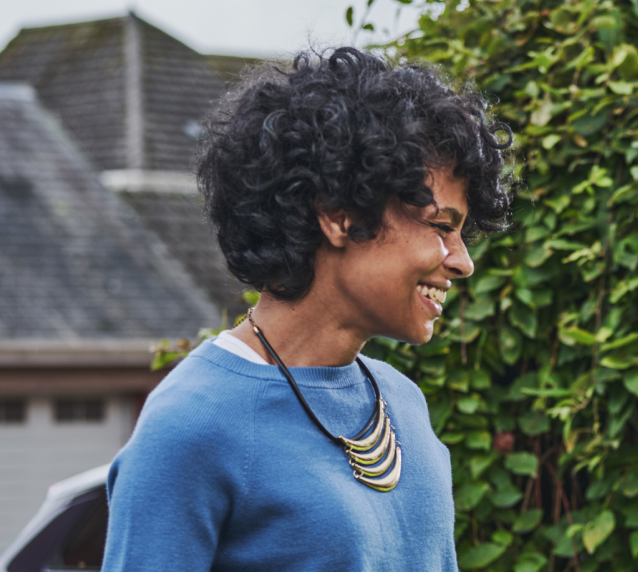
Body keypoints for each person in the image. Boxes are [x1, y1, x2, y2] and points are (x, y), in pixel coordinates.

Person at [102, 48, 512, 571]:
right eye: (440, 226)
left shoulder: (404, 404)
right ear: (339, 216)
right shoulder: (191, 426)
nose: (463, 262)